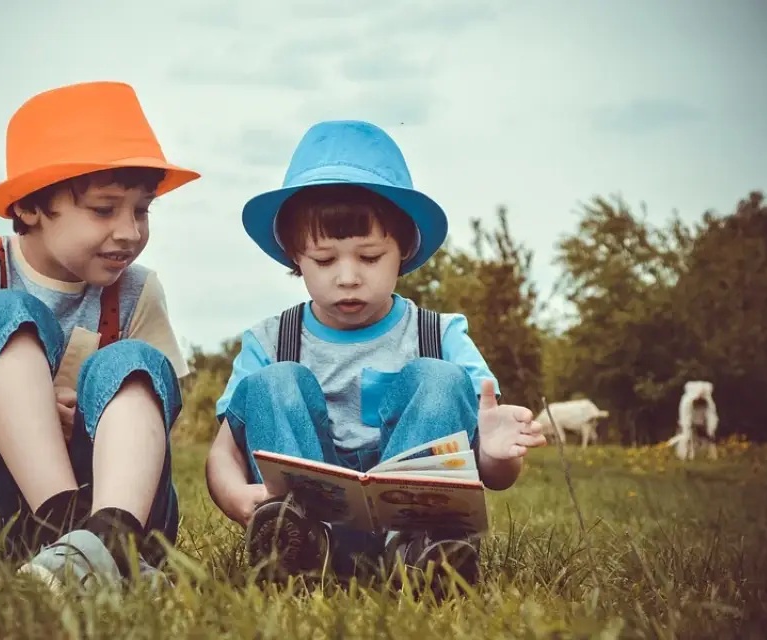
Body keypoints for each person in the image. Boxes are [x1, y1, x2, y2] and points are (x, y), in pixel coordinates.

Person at [204, 120, 547, 592]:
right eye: (325, 260)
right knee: (273, 383)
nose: (347, 277)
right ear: (294, 256)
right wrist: (237, 497)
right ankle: (297, 548)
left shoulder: (440, 334)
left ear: (403, 249)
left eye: (369, 257)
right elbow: (223, 451)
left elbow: (496, 475)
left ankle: (423, 553)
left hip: (416, 526)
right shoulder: (269, 340)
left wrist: (493, 454)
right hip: (309, 523)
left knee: (439, 378)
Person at [0, 81, 200, 592]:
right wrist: (33, 412)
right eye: (105, 210)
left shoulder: (139, 290)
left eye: (142, 210)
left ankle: (111, 537)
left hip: (113, 502)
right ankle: (74, 533)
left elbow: (159, 406)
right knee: (7, 312)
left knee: (134, 362)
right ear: (31, 207)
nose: (129, 231)